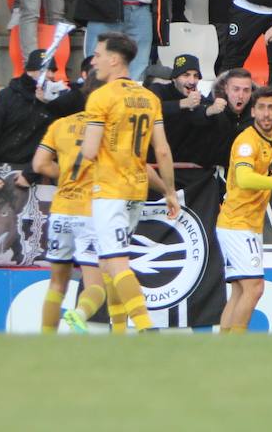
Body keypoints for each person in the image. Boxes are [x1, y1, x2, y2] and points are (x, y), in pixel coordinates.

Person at [79, 32, 180, 333]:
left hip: (109, 190)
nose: (94, 61)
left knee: (115, 261)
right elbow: (161, 150)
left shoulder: (101, 97)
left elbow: (89, 151)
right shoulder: (149, 98)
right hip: (136, 190)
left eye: (97, 54)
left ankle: (145, 326)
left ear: (113, 59)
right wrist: (170, 191)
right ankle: (119, 333)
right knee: (111, 263)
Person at [215, 85, 272, 333]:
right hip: (237, 224)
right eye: (261, 108)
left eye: (271, 108)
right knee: (255, 288)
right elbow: (244, 179)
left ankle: (222, 347)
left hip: (247, 226)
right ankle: (237, 344)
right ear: (252, 111)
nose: (266, 114)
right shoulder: (246, 141)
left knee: (240, 291)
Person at [34, 74, 109, 335]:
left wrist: (65, 173)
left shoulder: (61, 125)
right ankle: (78, 315)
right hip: (89, 213)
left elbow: (39, 165)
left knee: (57, 284)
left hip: (60, 210)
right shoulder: (107, 129)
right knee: (96, 286)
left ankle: (47, 338)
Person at [0, 48, 83, 188]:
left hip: (36, 176)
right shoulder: (7, 96)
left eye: (53, 71)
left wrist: (30, 174)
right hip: (0, 170)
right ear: (30, 71)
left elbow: (57, 145)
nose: (51, 75)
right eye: (45, 70)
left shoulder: (58, 101)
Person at [151, 53, 231, 170]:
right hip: (155, 162)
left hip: (187, 165)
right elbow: (150, 109)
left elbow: (203, 114)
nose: (192, 81)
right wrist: (182, 104)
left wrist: (211, 110)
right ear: (174, 78)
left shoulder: (200, 100)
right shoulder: (158, 90)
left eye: (196, 76)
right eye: (186, 75)